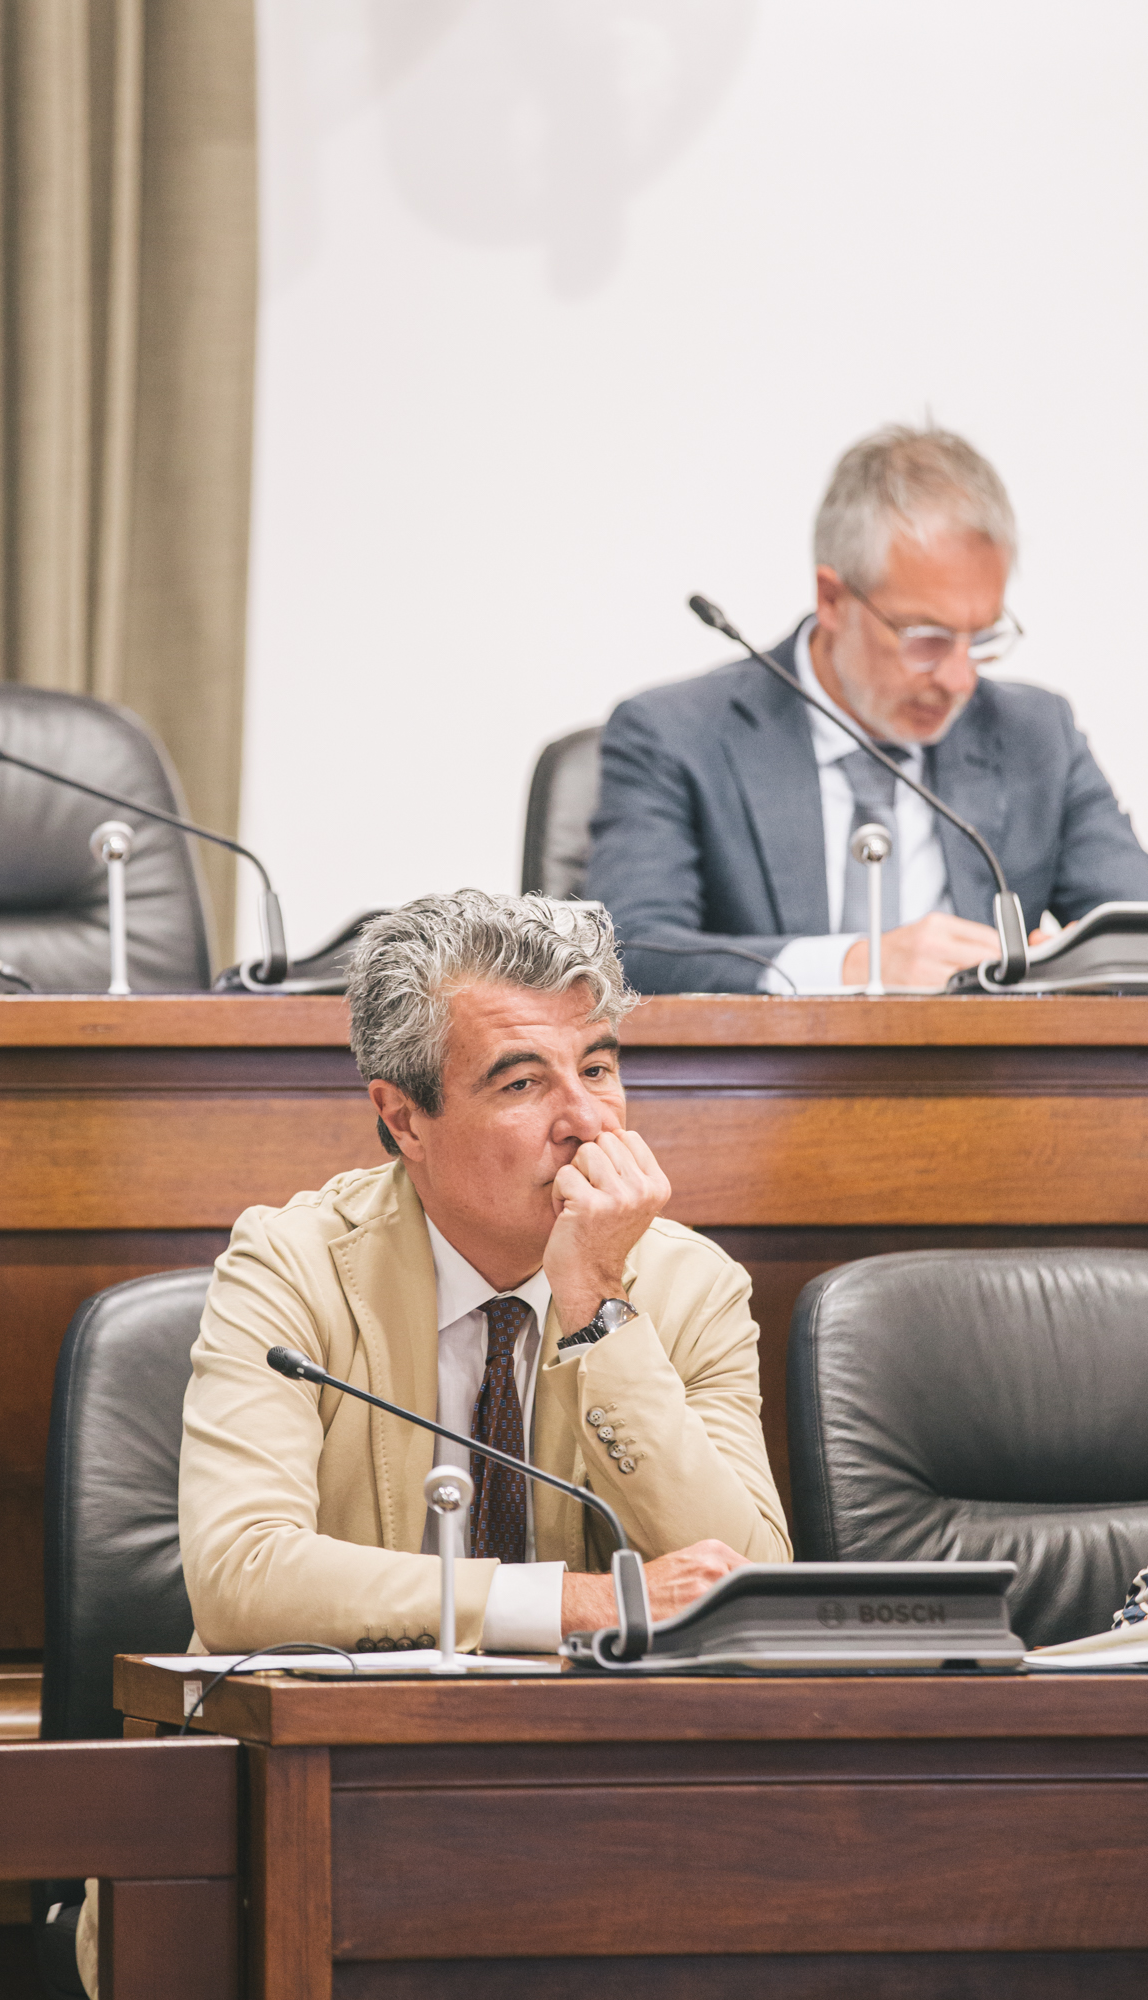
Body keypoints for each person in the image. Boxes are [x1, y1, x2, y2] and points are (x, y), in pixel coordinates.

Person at [76, 891, 789, 1998]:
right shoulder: (290, 1267)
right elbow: (242, 1574)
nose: (587, 1122)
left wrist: (598, 1311)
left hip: (602, 1828)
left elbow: (750, 1588)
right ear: (402, 1117)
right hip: (318, 1817)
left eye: (599, 1068)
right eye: (522, 1083)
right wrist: (573, 1604)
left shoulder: (687, 1286)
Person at [586, 426, 1148, 995]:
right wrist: (856, 965)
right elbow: (630, 953)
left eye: (981, 638)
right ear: (832, 599)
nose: (960, 680)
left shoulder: (1037, 735)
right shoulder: (677, 734)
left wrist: (1075, 961)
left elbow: (1138, 929)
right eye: (926, 639)